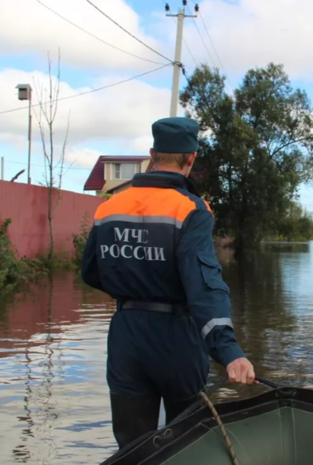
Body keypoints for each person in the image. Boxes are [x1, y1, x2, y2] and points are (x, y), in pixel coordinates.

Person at [80, 116, 255, 449]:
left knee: (133, 449)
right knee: (186, 447)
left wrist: (133, 287)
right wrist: (228, 351)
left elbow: (90, 272)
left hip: (126, 338)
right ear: (191, 159)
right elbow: (203, 286)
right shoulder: (191, 210)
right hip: (177, 340)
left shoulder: (109, 208)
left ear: (152, 152)